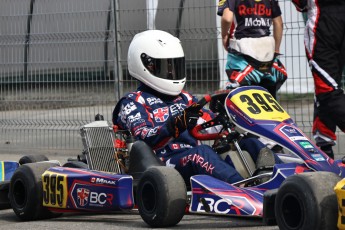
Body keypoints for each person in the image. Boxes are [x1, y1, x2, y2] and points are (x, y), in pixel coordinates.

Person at [112, 30, 281, 185]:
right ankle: (245, 190)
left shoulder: (185, 98)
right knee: (201, 153)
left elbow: (208, 123)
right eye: (166, 66)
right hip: (163, 163)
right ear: (146, 65)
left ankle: (282, 181)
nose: (171, 72)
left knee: (249, 142)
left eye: (175, 65)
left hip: (192, 157)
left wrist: (225, 118)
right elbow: (144, 136)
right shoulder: (133, 102)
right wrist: (174, 125)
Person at [291, 0, 345, 159]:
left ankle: (324, 147)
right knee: (328, 87)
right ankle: (324, 148)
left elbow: (301, 4)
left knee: (327, 90)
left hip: (324, 22)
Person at [217, 0, 287, 99]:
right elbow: (279, 23)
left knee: (241, 97)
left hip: (242, 53)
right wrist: (276, 49)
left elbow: (227, 18)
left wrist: (224, 35)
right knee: (268, 97)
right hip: (267, 53)